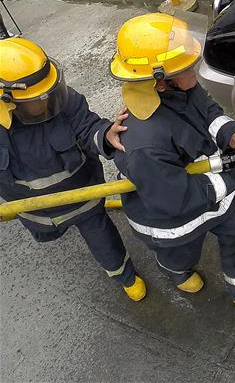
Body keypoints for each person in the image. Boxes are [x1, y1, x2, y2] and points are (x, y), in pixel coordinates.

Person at [108, 12, 235, 314]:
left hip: (212, 193)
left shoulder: (182, 88)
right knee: (180, 255)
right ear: (160, 82)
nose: (195, 68)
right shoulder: (144, 142)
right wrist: (232, 175)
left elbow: (208, 112)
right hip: (172, 221)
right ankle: (176, 271)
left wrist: (232, 134)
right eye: (187, 66)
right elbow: (175, 198)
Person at [0, 37, 144, 301]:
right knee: (48, 235)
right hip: (35, 214)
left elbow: (87, 125)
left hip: (83, 199)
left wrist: (106, 134)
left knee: (104, 242)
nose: (48, 101)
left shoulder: (62, 100)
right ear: (6, 104)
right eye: (38, 98)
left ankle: (125, 276)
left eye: (49, 92)